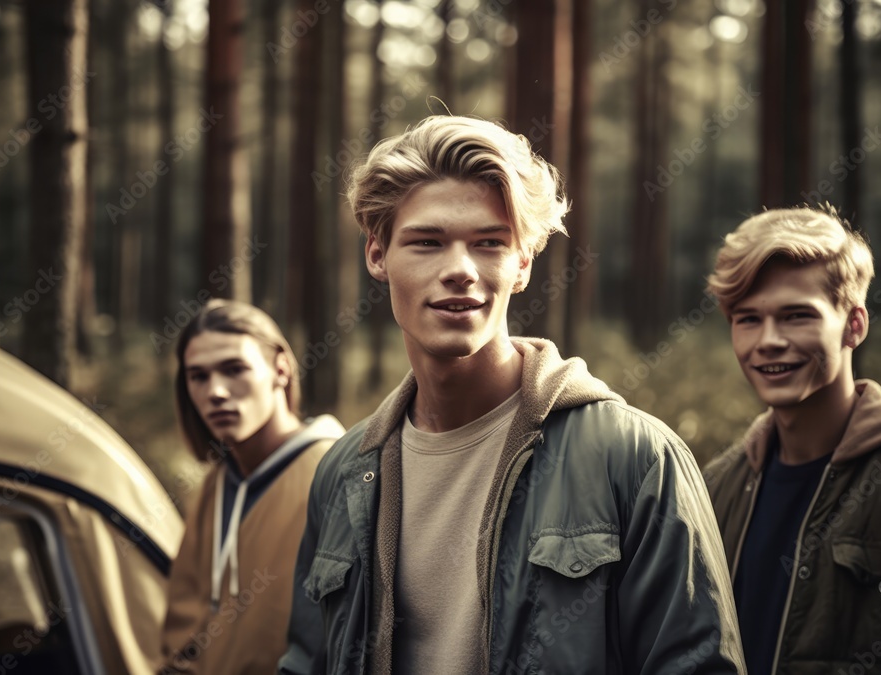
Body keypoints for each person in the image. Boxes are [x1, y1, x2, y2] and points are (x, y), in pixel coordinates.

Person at [278, 115, 745, 674]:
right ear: (377, 256)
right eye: (427, 242)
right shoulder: (343, 472)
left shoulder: (637, 458)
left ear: (523, 263)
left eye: (489, 244)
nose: (460, 271)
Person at [703, 206, 881, 674]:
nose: (768, 341)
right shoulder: (712, 489)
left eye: (796, 316)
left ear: (855, 325)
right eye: (747, 319)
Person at [159, 299, 345, 674]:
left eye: (234, 369)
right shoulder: (219, 479)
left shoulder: (334, 474)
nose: (216, 392)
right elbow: (185, 613)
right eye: (199, 376)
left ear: (281, 368)